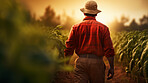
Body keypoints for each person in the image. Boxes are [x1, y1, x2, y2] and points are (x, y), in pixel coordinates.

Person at [64, 0, 115, 83]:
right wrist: (111, 67)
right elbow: (109, 49)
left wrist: (66, 64)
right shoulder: (103, 28)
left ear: (84, 13)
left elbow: (69, 48)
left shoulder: (75, 27)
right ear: (96, 13)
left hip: (81, 62)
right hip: (97, 63)